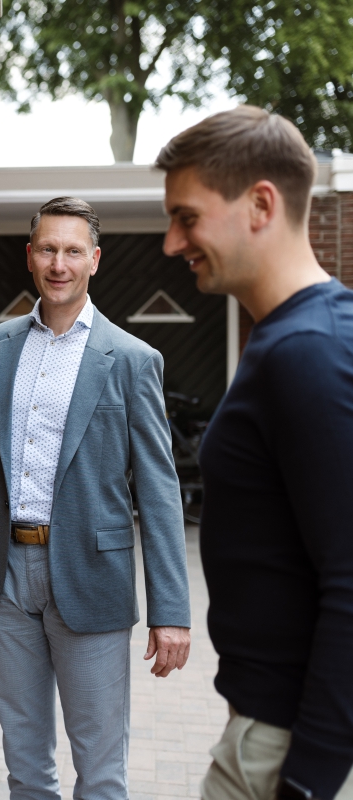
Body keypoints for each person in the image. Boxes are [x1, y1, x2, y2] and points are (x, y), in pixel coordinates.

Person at [0, 196, 193, 799]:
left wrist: (172, 610)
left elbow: (159, 491)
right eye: (48, 249)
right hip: (5, 578)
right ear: (30, 257)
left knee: (101, 771)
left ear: (94, 260)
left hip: (92, 575)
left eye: (73, 251)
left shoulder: (132, 360)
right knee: (26, 767)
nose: (60, 263)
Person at [157, 107, 353, 800]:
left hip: (288, 749)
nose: (171, 242)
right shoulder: (300, 338)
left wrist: (306, 782)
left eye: (187, 216)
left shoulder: (308, 352)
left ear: (261, 204)